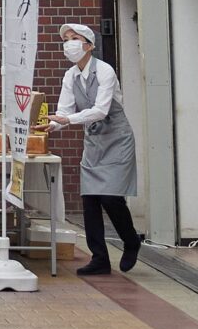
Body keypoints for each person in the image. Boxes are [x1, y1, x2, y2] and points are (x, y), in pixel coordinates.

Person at [51, 21, 142, 275]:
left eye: (74, 38)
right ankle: (99, 258)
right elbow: (64, 111)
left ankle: (131, 240)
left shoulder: (105, 71)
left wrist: (67, 120)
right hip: (93, 141)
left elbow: (101, 110)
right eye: (65, 39)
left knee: (111, 197)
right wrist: (52, 126)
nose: (68, 43)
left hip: (116, 139)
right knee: (90, 199)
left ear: (89, 45)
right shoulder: (70, 76)